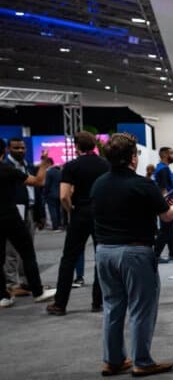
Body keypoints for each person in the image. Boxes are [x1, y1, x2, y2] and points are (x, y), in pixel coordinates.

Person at [92, 133, 173, 376]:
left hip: (104, 251)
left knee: (112, 306)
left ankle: (113, 359)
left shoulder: (99, 184)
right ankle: (142, 361)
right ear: (132, 158)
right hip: (134, 252)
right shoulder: (142, 184)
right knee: (142, 307)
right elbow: (167, 216)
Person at [46, 131, 108, 316]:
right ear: (94, 145)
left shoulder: (71, 166)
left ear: (76, 147)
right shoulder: (105, 165)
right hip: (100, 214)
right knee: (101, 258)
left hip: (80, 212)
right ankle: (98, 302)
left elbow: (63, 195)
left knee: (69, 258)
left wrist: (70, 210)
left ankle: (60, 304)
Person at [0, 139, 56, 307]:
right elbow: (39, 181)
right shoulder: (7, 170)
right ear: (4, 151)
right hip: (11, 216)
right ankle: (38, 292)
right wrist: (45, 164)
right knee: (27, 252)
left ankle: (3, 296)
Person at [4, 136, 46, 295]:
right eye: (16, 148)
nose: (20, 150)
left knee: (27, 249)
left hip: (29, 209)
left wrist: (40, 214)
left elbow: (37, 190)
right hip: (12, 212)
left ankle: (26, 281)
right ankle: (12, 284)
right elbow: (38, 182)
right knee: (10, 251)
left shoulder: (28, 165)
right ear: (8, 149)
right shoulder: (6, 167)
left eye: (22, 148)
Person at [152, 147, 173, 263]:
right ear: (165, 155)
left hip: (169, 201)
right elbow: (163, 189)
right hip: (168, 203)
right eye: (172, 153)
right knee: (166, 230)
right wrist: (168, 206)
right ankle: (155, 255)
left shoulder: (164, 168)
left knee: (170, 230)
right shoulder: (163, 169)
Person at [44, 161, 63, 230]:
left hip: (51, 194)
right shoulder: (59, 172)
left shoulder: (49, 172)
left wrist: (45, 193)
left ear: (49, 163)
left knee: (52, 210)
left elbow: (47, 185)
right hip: (59, 193)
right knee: (58, 210)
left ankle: (55, 226)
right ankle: (60, 224)